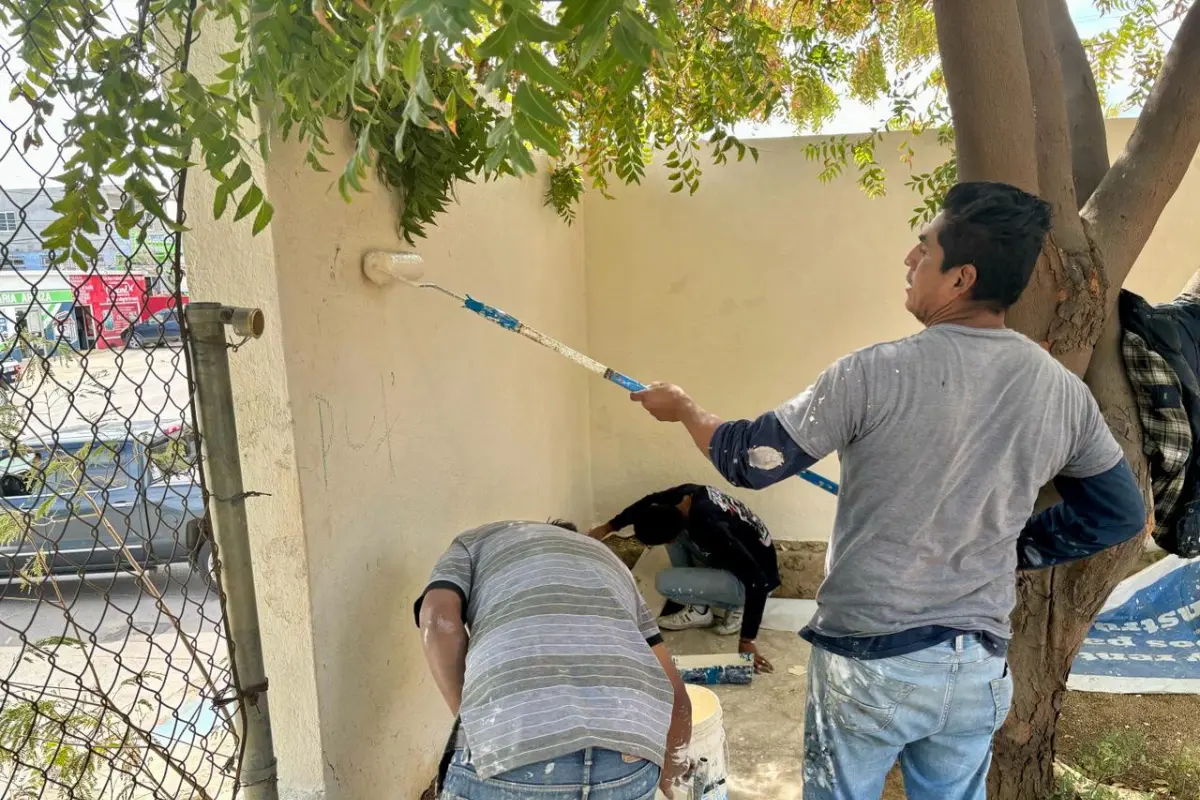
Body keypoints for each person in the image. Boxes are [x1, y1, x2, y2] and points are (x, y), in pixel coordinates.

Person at [629, 181, 1146, 800]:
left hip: (868, 658)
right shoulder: (1059, 391)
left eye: (923, 249)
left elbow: (750, 458)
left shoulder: (874, 372)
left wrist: (685, 408)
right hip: (976, 664)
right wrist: (1018, 549)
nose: (909, 259)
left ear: (960, 279)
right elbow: (1119, 512)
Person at [415, 519, 694, 799]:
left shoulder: (476, 540)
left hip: (511, 748)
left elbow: (438, 618)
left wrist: (476, 722)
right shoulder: (610, 562)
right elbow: (676, 696)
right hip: (630, 755)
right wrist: (669, 774)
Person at [589, 484, 779, 673]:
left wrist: (747, 640)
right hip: (742, 555)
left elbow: (758, 579)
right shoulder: (686, 496)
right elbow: (647, 503)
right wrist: (609, 527)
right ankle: (699, 611)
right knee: (681, 535)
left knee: (665, 582)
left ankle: (738, 604)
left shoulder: (711, 526)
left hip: (754, 578)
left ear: (668, 539)